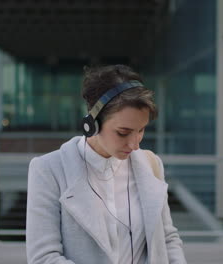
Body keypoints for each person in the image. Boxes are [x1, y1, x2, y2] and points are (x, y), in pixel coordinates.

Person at [26, 65, 187, 264]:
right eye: (123, 132)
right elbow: (43, 258)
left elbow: (167, 239)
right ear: (92, 124)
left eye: (141, 130)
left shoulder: (151, 164)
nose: (135, 144)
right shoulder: (47, 170)